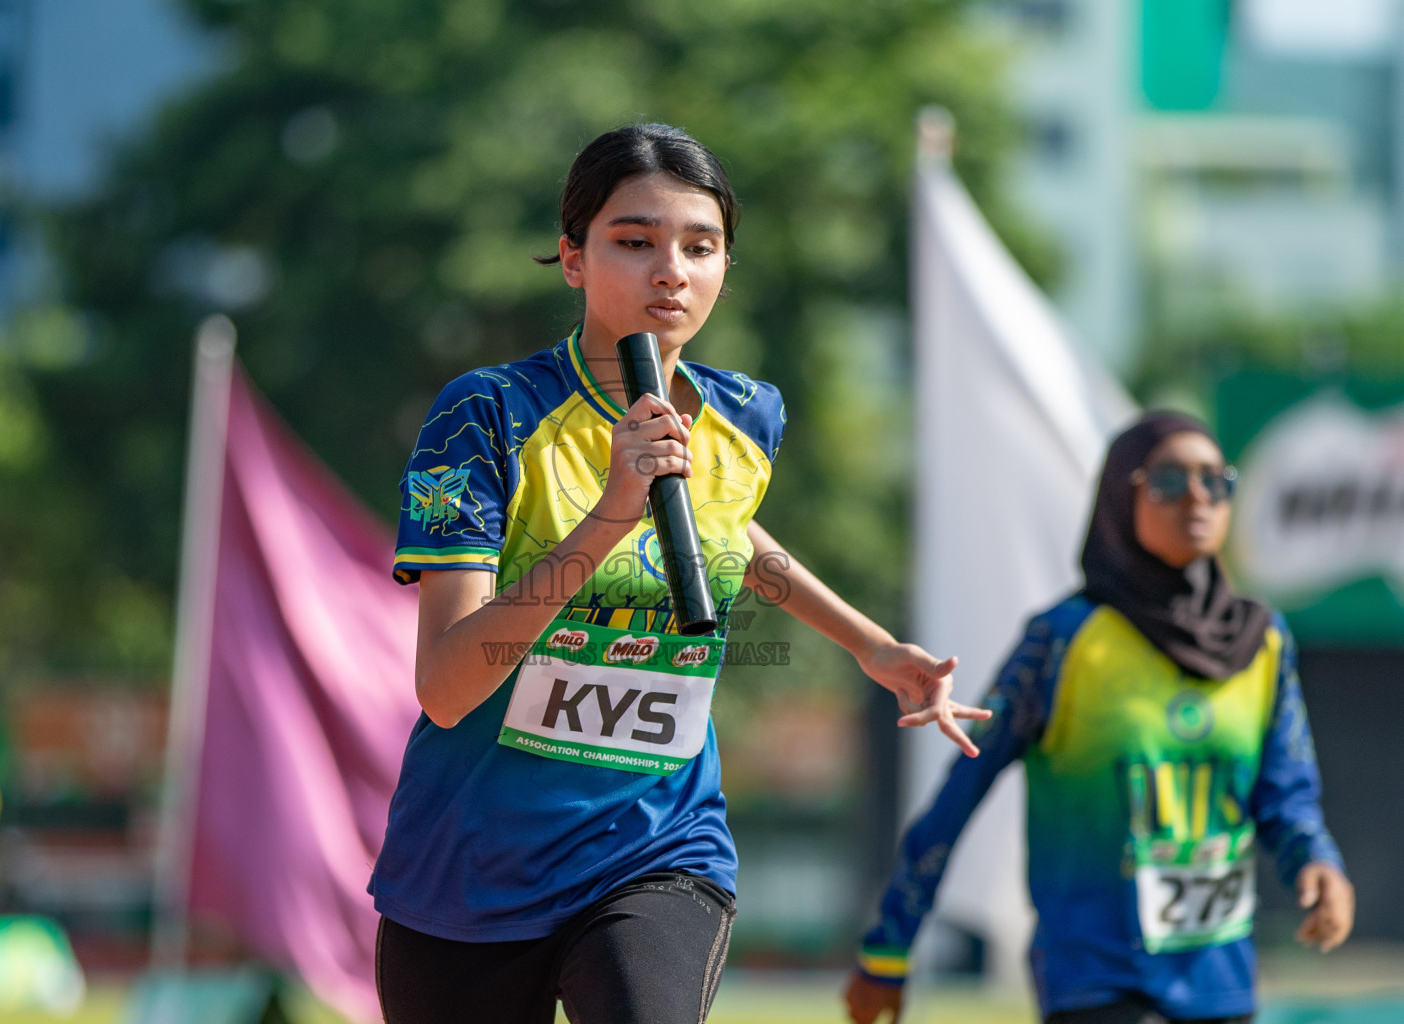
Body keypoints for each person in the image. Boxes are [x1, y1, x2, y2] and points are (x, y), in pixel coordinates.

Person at [368, 123, 990, 1024]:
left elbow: (733, 533)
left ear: (726, 268)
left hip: (658, 846)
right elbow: (449, 686)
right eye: (635, 241)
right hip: (470, 869)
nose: (672, 270)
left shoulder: (746, 415)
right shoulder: (485, 417)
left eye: (700, 247)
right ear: (572, 257)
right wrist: (610, 513)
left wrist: (872, 645)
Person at [844, 411, 1355, 1024]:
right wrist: (887, 949)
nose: (1195, 496)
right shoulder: (1061, 640)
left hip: (1221, 981)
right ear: (1120, 496)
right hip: (1095, 981)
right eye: (1168, 481)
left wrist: (1318, 861)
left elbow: (1286, 794)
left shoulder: (1264, 642)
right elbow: (957, 798)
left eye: (1214, 481)